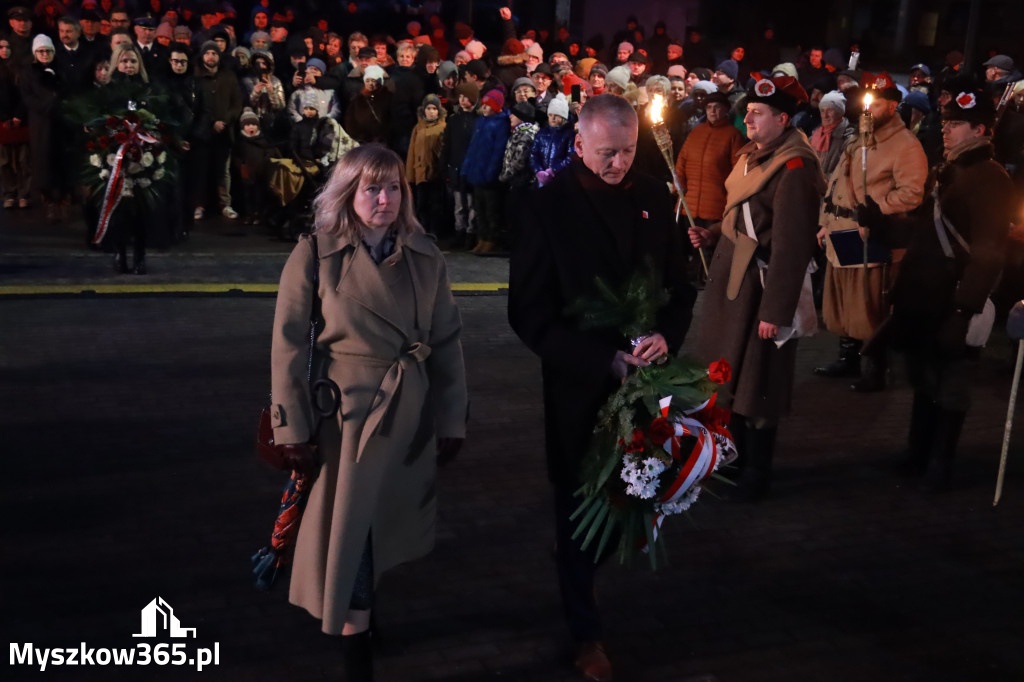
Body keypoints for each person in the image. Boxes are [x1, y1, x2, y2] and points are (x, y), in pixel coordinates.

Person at [508, 94, 695, 682]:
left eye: (629, 151)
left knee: (632, 495)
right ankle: (586, 631)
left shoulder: (651, 196)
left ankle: (584, 568)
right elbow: (529, 313)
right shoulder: (545, 206)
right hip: (579, 385)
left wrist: (666, 334)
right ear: (579, 144)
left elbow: (678, 284)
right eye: (607, 154)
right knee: (576, 505)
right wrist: (600, 359)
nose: (619, 164)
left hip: (645, 379)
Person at [270, 144, 467, 682]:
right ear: (349, 193)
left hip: (408, 408)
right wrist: (291, 428)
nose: (384, 199)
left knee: (382, 528)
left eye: (394, 188)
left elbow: (447, 339)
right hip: (345, 418)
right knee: (350, 533)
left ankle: (366, 619)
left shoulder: (426, 254)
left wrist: (452, 419)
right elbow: (288, 345)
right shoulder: (315, 252)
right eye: (371, 188)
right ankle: (357, 650)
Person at [689, 76, 826, 501]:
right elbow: (741, 215)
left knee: (759, 385)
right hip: (734, 284)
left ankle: (756, 472)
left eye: (758, 112)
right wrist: (714, 234)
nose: (747, 116)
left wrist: (775, 311)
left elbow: (790, 246)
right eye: (746, 110)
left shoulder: (795, 166)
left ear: (782, 119)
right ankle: (733, 460)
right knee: (731, 381)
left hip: (761, 290)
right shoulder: (753, 155)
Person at [886, 85, 1013, 491]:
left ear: (980, 129)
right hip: (926, 292)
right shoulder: (951, 168)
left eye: (957, 124)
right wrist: (885, 223)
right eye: (946, 122)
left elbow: (989, 251)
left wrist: (964, 310)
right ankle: (917, 452)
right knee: (924, 376)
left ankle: (940, 462)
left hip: (953, 295)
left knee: (951, 383)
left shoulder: (991, 177)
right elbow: (928, 227)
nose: (946, 129)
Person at [815, 73, 928, 391]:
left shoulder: (906, 146)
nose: (869, 111)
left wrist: (876, 211)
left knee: (867, 304)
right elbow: (836, 181)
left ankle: (874, 369)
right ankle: (848, 359)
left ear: (892, 106)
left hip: (867, 233)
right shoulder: (858, 140)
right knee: (842, 299)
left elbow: (911, 194)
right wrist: (825, 221)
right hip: (842, 229)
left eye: (876, 105)